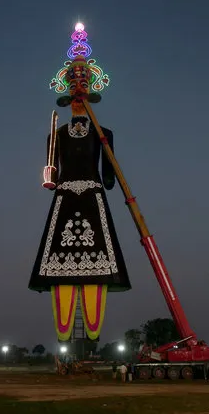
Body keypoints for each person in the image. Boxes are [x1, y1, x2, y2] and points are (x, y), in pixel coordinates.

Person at [29, 22, 131, 343]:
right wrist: (50, 176)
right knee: (59, 258)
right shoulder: (55, 133)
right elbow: (52, 170)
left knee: (98, 259)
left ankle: (92, 325)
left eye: (82, 94)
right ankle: (64, 328)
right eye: (73, 94)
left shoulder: (104, 133)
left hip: (92, 194)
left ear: (90, 97)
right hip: (65, 197)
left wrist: (111, 180)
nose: (77, 99)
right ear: (66, 98)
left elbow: (109, 169)